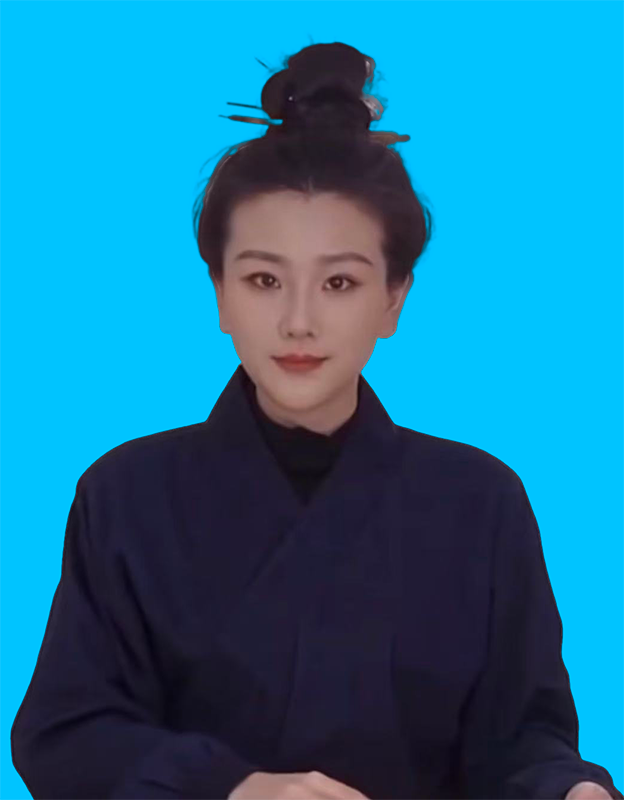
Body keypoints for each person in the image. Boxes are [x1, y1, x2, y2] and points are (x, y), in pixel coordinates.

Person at [10, 41, 621, 800]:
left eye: (339, 283)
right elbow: (66, 734)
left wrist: (568, 790)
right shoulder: (126, 493)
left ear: (393, 299)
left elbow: (524, 741)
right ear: (220, 294)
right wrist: (233, 787)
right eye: (264, 279)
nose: (298, 321)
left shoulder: (480, 499)